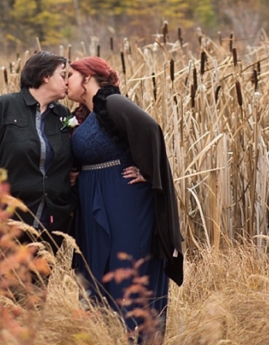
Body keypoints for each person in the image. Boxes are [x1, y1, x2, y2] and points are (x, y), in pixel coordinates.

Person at [66, 56, 183, 336]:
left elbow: (151, 129)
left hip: (122, 200)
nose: (65, 81)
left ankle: (137, 336)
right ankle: (105, 337)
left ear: (86, 78)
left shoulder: (113, 103)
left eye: (69, 75)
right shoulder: (82, 115)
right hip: (95, 202)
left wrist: (150, 173)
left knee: (125, 269)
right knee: (97, 272)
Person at [0, 50, 74, 246]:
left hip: (51, 221)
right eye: (63, 75)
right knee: (3, 276)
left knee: (39, 276)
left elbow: (76, 153)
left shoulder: (64, 115)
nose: (67, 81)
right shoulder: (4, 107)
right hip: (7, 219)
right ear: (45, 77)